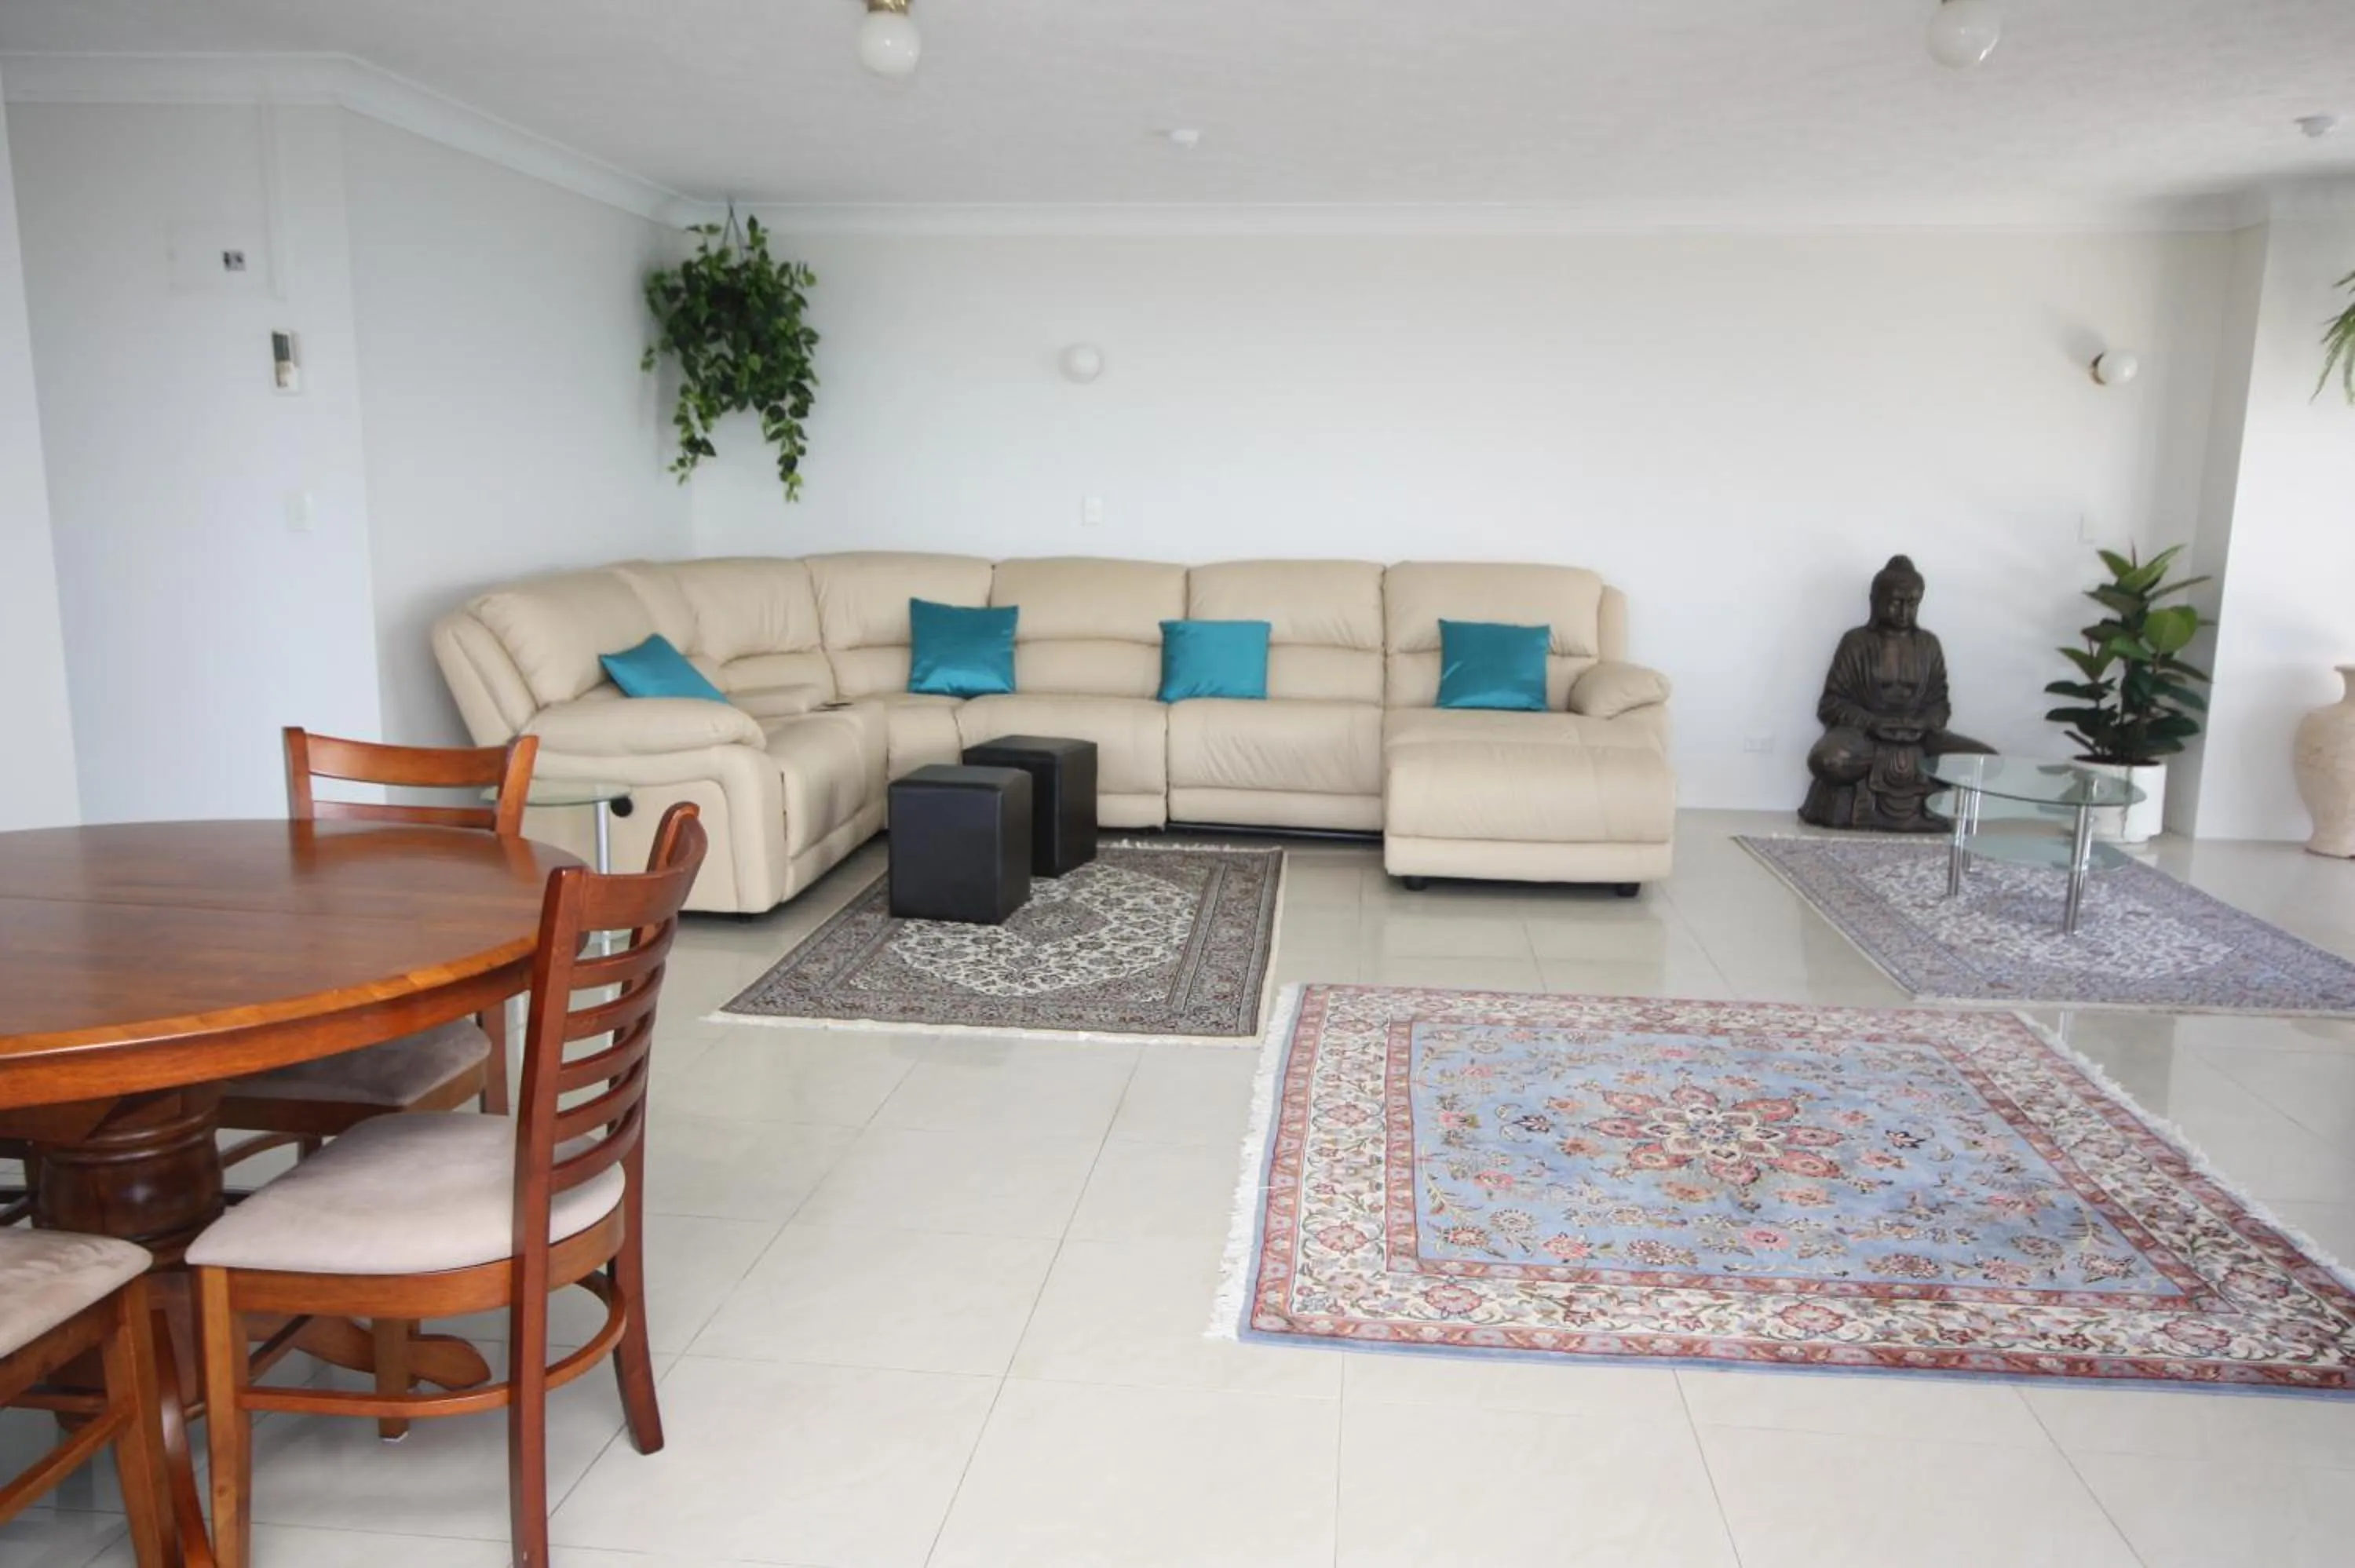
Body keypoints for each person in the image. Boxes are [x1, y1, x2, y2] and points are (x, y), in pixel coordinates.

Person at [1798, 554, 1992, 831]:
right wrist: (1874, 723)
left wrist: (1923, 724)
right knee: (1829, 760)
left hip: (1920, 736)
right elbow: (1831, 704)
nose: (1904, 612)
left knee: (1987, 764)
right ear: (1877, 601)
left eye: (1912, 604)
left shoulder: (1928, 644)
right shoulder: (1857, 642)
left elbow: (1940, 704)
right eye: (1896, 602)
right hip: (1864, 737)